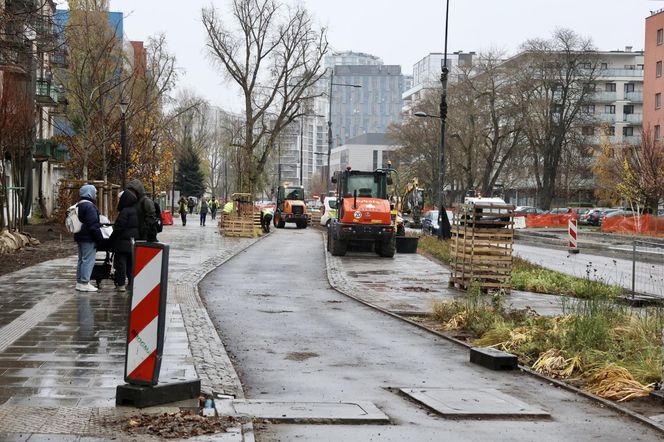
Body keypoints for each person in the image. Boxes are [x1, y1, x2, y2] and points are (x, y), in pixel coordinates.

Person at [74, 184, 103, 292]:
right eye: (94, 192)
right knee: (88, 260)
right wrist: (99, 238)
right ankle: (85, 282)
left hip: (80, 236)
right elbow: (93, 225)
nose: (95, 194)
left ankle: (79, 282)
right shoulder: (89, 206)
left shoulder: (79, 205)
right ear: (89, 193)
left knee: (81, 260)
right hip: (88, 237)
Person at [109, 190, 139, 292]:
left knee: (121, 264)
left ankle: (121, 284)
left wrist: (111, 238)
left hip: (122, 242)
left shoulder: (125, 211)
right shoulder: (137, 210)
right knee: (131, 264)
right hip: (133, 242)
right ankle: (131, 283)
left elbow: (119, 227)